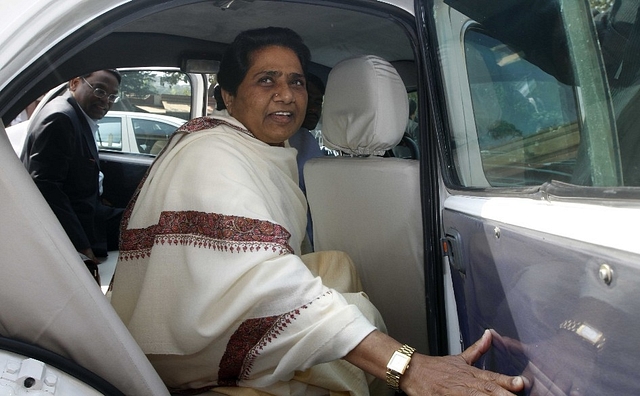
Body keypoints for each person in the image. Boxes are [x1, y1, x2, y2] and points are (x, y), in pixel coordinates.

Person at [110, 27, 524, 395]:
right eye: (266, 80)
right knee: (353, 316)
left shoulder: (267, 151)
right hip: (188, 351)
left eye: (296, 82)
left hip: (204, 314)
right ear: (228, 97)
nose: (287, 94)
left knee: (337, 265)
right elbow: (266, 281)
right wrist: (409, 366)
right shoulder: (212, 155)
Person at [21, 69, 124, 271]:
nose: (106, 101)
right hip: (78, 227)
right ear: (75, 83)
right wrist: (81, 246)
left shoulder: (77, 116)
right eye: (99, 90)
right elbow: (46, 188)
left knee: (149, 218)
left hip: (90, 212)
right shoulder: (61, 118)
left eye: (112, 96)